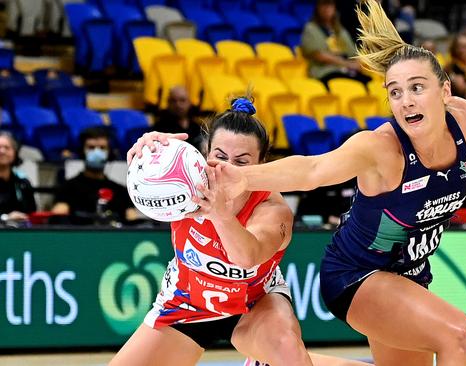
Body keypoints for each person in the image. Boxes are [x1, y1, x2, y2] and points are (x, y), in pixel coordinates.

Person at [197, 2, 466, 364]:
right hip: (357, 275)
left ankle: (273, 363)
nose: (406, 101)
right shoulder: (380, 148)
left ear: (444, 91)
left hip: (409, 276)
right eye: (394, 91)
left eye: (417, 87)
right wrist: (241, 176)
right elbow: (312, 171)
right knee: (457, 333)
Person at [119, 97, 371, 366]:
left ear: (262, 164)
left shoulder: (272, 208)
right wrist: (148, 152)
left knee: (288, 350)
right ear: (206, 154)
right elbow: (146, 181)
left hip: (254, 305)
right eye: (219, 156)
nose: (226, 168)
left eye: (242, 161)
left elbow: (247, 256)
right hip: (187, 304)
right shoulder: (186, 185)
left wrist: (219, 214)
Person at [52, 127, 136, 225]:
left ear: (110, 153)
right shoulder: (67, 188)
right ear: (82, 151)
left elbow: (133, 223)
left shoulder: (121, 191)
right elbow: (57, 219)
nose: (97, 153)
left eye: (102, 148)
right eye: (91, 148)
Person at [301, 0, 371, 86]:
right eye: (323, 5)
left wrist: (357, 64)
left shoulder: (340, 30)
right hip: (324, 72)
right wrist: (346, 64)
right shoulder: (311, 28)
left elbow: (353, 53)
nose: (327, 9)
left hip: (345, 71)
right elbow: (319, 55)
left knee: (367, 81)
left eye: (330, 5)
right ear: (317, 8)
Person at [154, 85, 205, 152]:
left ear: (189, 102)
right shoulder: (159, 130)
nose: (178, 104)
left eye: (182, 100)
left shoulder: (198, 128)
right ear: (168, 103)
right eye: (174, 101)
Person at [0, 131, 36, 225]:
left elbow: (31, 212)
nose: (2, 151)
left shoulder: (22, 182)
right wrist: (5, 218)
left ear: (15, 153)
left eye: (7, 148)